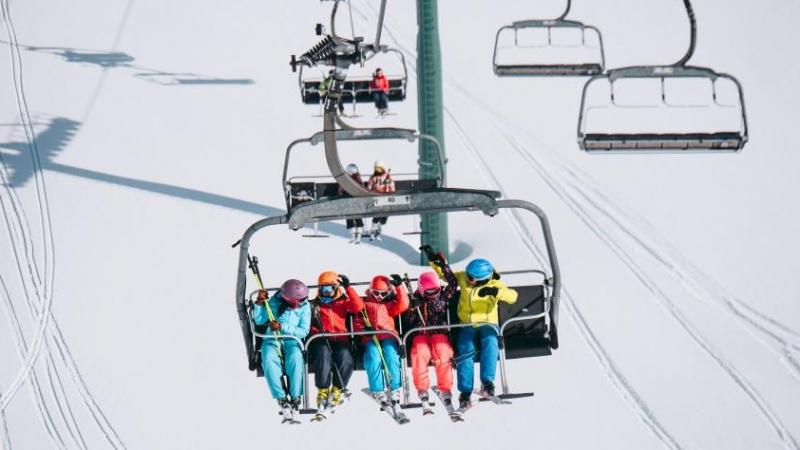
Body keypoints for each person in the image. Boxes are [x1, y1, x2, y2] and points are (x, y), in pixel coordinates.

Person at [422, 246, 517, 410]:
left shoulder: (496, 284)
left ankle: (487, 382)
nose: (467, 278)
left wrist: (495, 292)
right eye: (467, 275)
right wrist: (433, 260)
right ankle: (465, 392)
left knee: (490, 341)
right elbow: (446, 275)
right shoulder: (465, 279)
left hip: (488, 324)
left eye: (471, 277)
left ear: (483, 279)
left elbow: (512, 297)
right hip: (466, 324)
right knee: (465, 347)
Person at [308, 270, 365, 413]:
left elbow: (358, 306)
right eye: (323, 289)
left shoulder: (343, 302)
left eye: (329, 288)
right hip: (322, 339)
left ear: (336, 288)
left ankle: (337, 389)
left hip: (341, 338)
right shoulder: (315, 304)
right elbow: (310, 324)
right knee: (323, 355)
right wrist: (317, 332)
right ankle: (323, 390)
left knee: (346, 358)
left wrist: (349, 288)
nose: (326, 292)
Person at [253, 279, 311, 417]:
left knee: (296, 359)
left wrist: (283, 327)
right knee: (268, 358)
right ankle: (281, 397)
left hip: (292, 340)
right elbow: (260, 320)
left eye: (304, 298)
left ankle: (296, 397)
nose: (303, 301)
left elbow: (303, 331)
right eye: (300, 299)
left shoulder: (305, 307)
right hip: (272, 339)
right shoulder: (275, 302)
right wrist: (259, 303)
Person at [403, 268, 458, 410]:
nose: (434, 295)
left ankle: (445, 388)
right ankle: (422, 389)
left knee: (443, 352)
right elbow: (408, 321)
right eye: (430, 292)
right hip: (420, 333)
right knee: (420, 353)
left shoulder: (442, 296)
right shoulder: (414, 299)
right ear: (421, 290)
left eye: (436, 291)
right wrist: (412, 309)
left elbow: (453, 283)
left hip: (439, 332)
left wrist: (444, 267)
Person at [354, 274, 409, 410]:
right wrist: (364, 329)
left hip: (388, 336)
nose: (379, 297)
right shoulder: (365, 304)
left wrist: (399, 287)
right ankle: (377, 389)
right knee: (373, 356)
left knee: (391, 355)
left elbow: (404, 305)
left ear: (388, 292)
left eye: (383, 294)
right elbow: (357, 320)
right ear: (370, 291)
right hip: (371, 338)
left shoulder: (390, 305)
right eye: (376, 293)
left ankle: (394, 388)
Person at [367, 160, 395, 241]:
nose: (377, 170)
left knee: (384, 216)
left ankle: (378, 231)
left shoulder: (387, 177)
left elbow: (392, 186)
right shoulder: (373, 177)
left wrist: (391, 191)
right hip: (377, 198)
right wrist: (370, 190)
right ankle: (373, 231)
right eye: (376, 168)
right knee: (377, 215)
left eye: (379, 168)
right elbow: (370, 186)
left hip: (386, 198)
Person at [338, 163, 366, 243]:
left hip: (355, 200)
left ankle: (359, 235)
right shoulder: (346, 178)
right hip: (348, 200)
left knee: (357, 217)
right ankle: (353, 235)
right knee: (349, 218)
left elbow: (361, 187)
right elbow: (341, 188)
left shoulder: (357, 178)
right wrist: (341, 192)